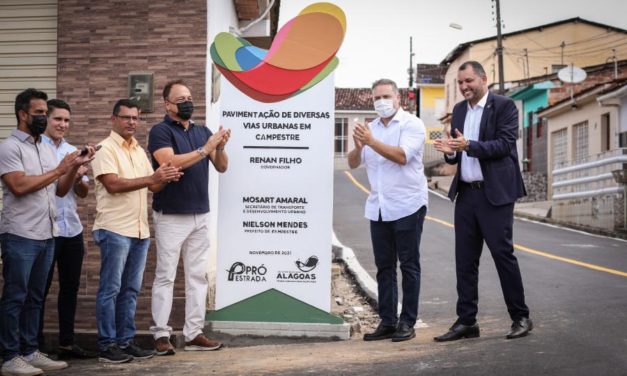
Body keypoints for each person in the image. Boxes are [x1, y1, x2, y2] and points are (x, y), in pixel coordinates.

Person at [433, 61, 532, 342]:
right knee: (465, 261)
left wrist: (469, 146)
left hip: (495, 194)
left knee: (503, 256)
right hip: (466, 193)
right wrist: (450, 152)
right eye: (461, 83)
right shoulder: (460, 111)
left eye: (468, 81)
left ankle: (521, 317)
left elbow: (504, 144)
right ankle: (467, 322)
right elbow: (458, 150)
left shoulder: (504, 107)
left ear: (483, 79)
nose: (464, 87)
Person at [0, 88, 95, 376]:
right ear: (23, 114)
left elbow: (60, 190)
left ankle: (30, 351)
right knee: (15, 295)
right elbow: (19, 186)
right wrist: (60, 169)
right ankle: (9, 356)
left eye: (45, 113)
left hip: (47, 231)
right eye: (39, 113)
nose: (43, 118)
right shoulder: (9, 147)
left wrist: (74, 168)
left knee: (35, 296)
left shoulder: (43, 146)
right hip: (20, 232)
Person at [91, 99, 182, 364]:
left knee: (130, 290)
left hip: (140, 231)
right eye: (126, 117)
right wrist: (152, 179)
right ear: (113, 119)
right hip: (114, 230)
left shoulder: (139, 151)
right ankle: (107, 345)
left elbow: (152, 187)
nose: (131, 122)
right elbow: (113, 184)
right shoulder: (104, 148)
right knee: (110, 290)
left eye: (135, 118)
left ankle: (125, 342)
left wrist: (165, 178)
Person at [148, 80, 229, 355]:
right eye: (181, 98)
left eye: (190, 97)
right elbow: (168, 162)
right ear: (167, 104)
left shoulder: (202, 130)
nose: (187, 102)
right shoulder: (160, 131)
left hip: (199, 214)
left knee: (197, 277)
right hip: (171, 215)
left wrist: (220, 146)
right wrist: (205, 149)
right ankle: (161, 335)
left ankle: (194, 333)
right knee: (165, 276)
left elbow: (221, 166)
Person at [348, 78, 428, 342]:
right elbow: (352, 163)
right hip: (379, 207)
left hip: (408, 204)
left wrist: (370, 142)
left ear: (398, 99)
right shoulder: (369, 129)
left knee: (408, 265)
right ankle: (388, 321)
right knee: (384, 267)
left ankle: (408, 322)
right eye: (376, 98)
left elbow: (402, 156)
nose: (381, 102)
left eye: (385, 97)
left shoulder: (412, 124)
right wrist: (359, 146)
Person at [38, 99, 97, 359]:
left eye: (66, 120)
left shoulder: (73, 150)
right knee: (39, 288)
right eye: (57, 119)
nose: (63, 124)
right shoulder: (37, 149)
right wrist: (69, 169)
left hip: (71, 228)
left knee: (70, 288)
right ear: (46, 120)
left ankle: (66, 343)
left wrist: (80, 170)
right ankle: (34, 346)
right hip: (45, 229)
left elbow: (82, 192)